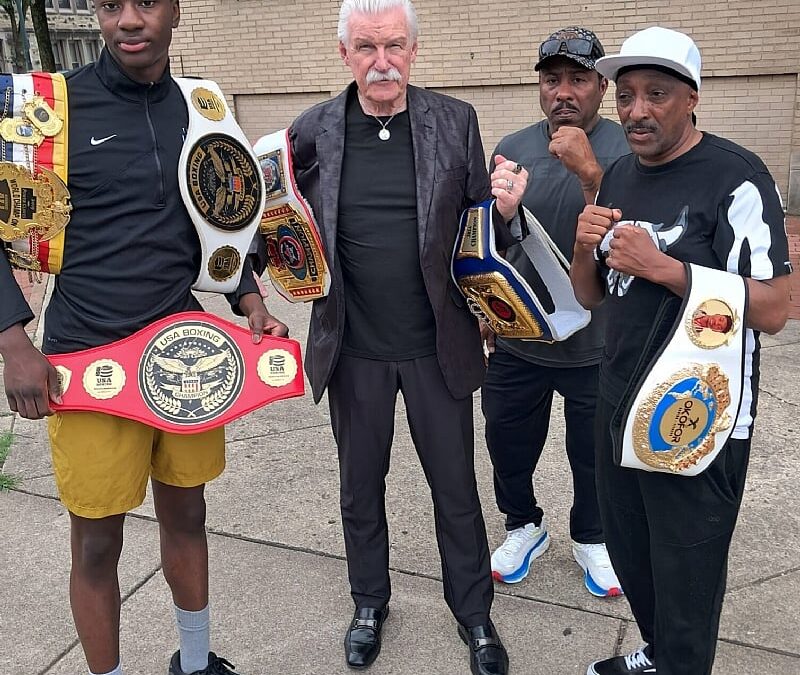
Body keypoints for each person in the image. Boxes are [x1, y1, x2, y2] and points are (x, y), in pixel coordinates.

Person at [0, 2, 288, 674]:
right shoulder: (49, 111)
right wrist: (13, 340)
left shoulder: (203, 107)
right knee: (98, 546)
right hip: (87, 359)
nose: (130, 20)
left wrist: (249, 297)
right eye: (110, 4)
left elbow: (220, 218)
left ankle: (194, 661)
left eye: (147, 2)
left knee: (189, 515)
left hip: (186, 355)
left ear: (176, 11)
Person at [288, 1, 526, 672]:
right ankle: (369, 602)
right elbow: (277, 223)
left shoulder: (455, 122)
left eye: (394, 45)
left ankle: (474, 614)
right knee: (360, 487)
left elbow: (481, 226)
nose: (382, 61)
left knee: (455, 488)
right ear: (345, 54)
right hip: (353, 346)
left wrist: (503, 215)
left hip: (437, 345)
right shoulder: (311, 132)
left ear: (414, 50)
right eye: (366, 47)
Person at [570, 26, 791, 675]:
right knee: (635, 556)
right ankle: (661, 654)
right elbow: (592, 298)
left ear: (692, 97)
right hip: (619, 400)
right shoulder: (616, 173)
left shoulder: (737, 176)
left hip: (699, 410)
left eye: (657, 94)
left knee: (687, 575)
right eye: (628, 95)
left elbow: (775, 307)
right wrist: (586, 246)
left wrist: (667, 268)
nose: (637, 110)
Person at [482, 27, 629, 597]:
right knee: (507, 442)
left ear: (600, 85)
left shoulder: (625, 147)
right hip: (521, 339)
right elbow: (492, 240)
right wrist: (501, 216)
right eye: (552, 80)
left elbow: (640, 235)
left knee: (594, 454)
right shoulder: (514, 146)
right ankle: (523, 525)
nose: (563, 92)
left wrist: (592, 174)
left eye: (577, 79)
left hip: (600, 343)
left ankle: (591, 536)